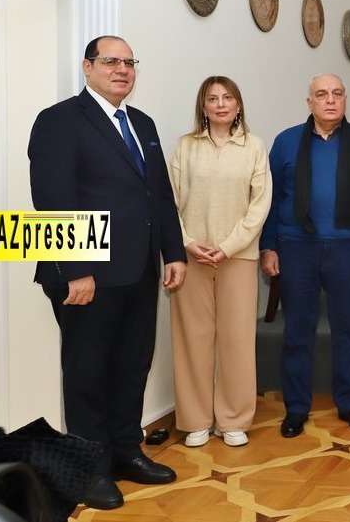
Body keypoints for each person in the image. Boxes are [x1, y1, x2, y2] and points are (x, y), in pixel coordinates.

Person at [28, 35, 187, 510]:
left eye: (129, 62)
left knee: (132, 364)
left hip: (139, 270)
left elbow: (158, 195)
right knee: (87, 374)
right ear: (87, 67)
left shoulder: (142, 123)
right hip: (87, 276)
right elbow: (52, 197)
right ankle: (88, 471)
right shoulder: (59, 120)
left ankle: (124, 453)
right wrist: (75, 269)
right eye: (110, 61)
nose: (121, 69)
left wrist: (173, 252)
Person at [259, 74, 350, 438]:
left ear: (346, 99)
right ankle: (296, 408)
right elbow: (272, 199)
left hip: (348, 247)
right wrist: (268, 246)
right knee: (297, 330)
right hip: (296, 248)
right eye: (321, 95)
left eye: (337, 94)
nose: (330, 100)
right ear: (309, 102)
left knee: (349, 328)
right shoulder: (285, 142)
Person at [168, 76, 271, 449]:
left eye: (228, 98)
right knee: (191, 340)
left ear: (239, 105)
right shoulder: (186, 147)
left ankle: (233, 419)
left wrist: (227, 247)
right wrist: (187, 243)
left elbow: (259, 206)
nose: (221, 104)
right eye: (213, 99)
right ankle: (195, 419)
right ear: (204, 107)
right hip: (192, 258)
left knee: (236, 340)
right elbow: (170, 202)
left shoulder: (255, 147)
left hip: (237, 256)